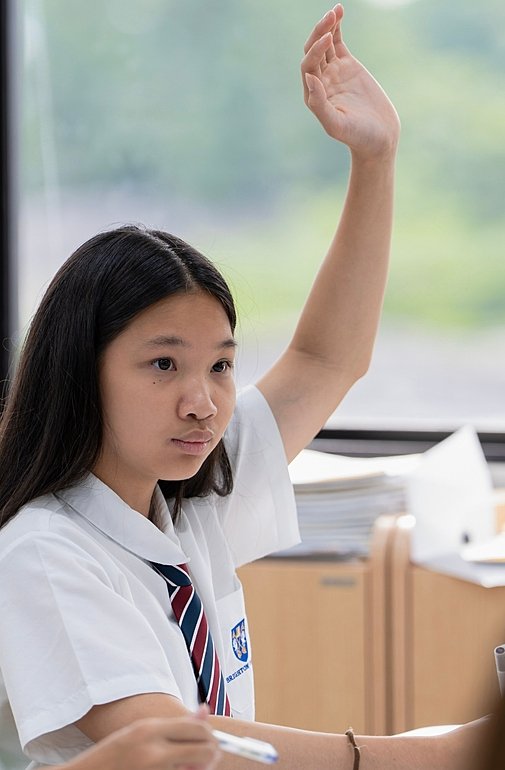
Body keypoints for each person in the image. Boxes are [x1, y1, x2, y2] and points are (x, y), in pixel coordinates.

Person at [0, 4, 489, 769]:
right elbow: (179, 749)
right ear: (79, 373)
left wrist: (376, 159)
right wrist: (438, 753)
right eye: (163, 365)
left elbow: (327, 358)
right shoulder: (43, 552)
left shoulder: (186, 502)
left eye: (221, 366)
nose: (203, 401)